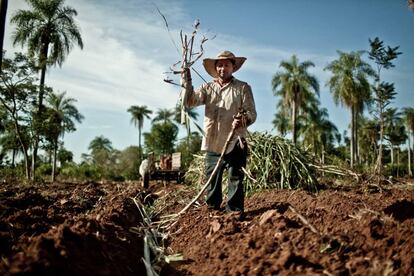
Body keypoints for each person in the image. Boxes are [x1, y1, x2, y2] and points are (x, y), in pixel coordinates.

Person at [181, 50, 257, 214]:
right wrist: (187, 80)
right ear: (216, 68)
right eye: (220, 65)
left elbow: (252, 113)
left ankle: (234, 211)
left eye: (227, 65)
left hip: (235, 141)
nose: (223, 68)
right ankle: (213, 209)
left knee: (235, 178)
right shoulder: (207, 88)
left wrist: (242, 120)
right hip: (213, 141)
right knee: (212, 178)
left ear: (233, 67)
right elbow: (189, 101)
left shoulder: (242, 88)